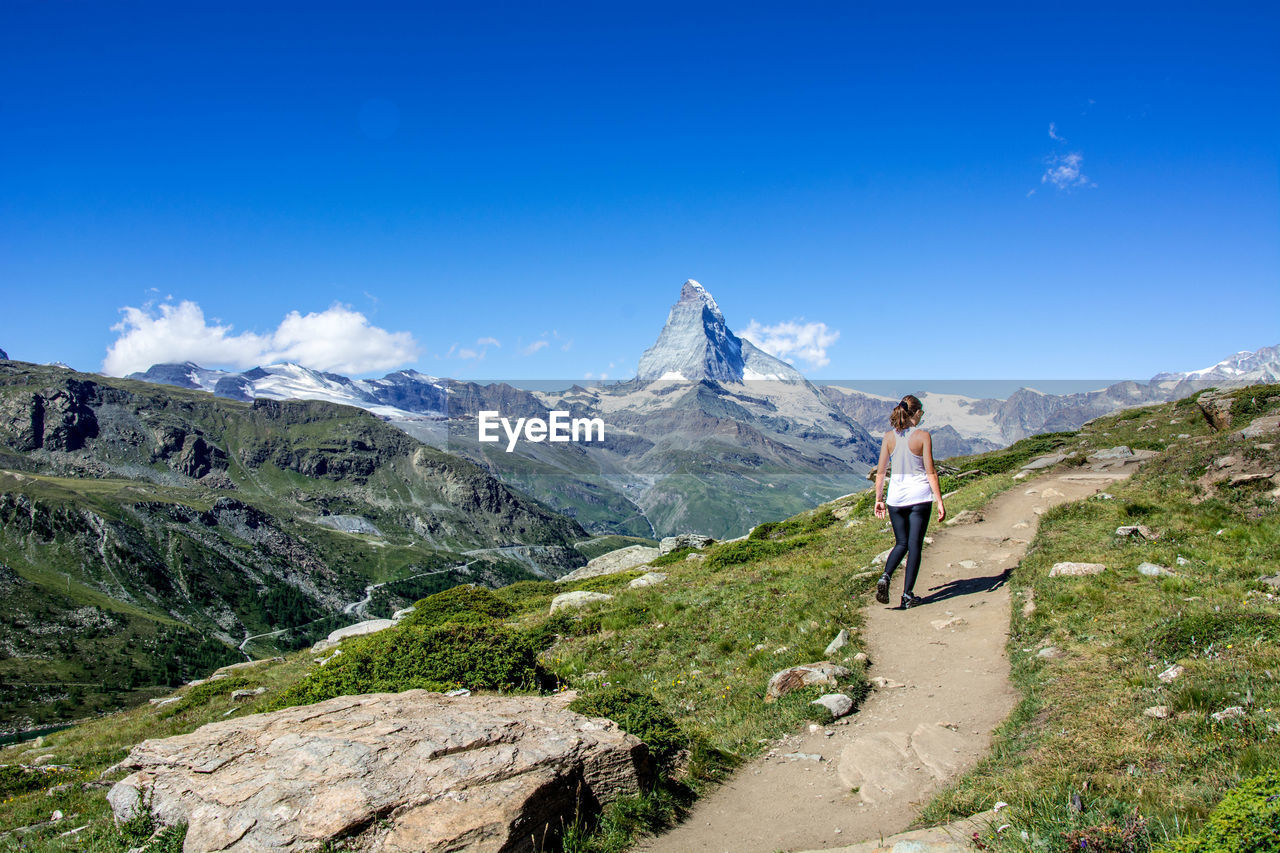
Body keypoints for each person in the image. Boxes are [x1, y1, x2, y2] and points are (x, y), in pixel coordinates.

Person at [872, 395, 945, 608]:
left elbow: (881, 471)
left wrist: (879, 499)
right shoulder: (923, 436)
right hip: (920, 497)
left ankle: (885, 576)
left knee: (901, 543)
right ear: (917, 413)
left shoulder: (888, 437)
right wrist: (939, 500)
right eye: (921, 412)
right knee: (914, 546)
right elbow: (930, 471)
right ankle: (906, 595)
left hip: (896, 498)